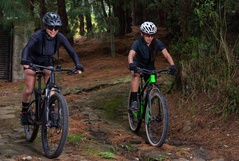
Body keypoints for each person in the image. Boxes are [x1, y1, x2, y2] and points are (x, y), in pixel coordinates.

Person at [20, 12, 84, 125]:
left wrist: (78, 65)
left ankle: (51, 110)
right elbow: (27, 48)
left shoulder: (60, 37)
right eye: (50, 27)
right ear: (45, 26)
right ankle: (24, 112)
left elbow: (72, 52)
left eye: (56, 27)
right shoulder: (38, 35)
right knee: (29, 88)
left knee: (51, 84)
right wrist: (25, 61)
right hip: (32, 60)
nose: (53, 30)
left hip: (46, 60)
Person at [128, 21, 176, 110]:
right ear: (142, 34)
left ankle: (146, 99)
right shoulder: (137, 43)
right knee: (136, 75)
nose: (150, 38)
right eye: (147, 35)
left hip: (150, 66)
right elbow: (131, 54)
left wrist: (172, 65)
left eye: (152, 35)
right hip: (137, 64)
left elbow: (166, 54)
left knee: (152, 83)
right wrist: (131, 64)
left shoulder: (157, 42)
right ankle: (134, 100)